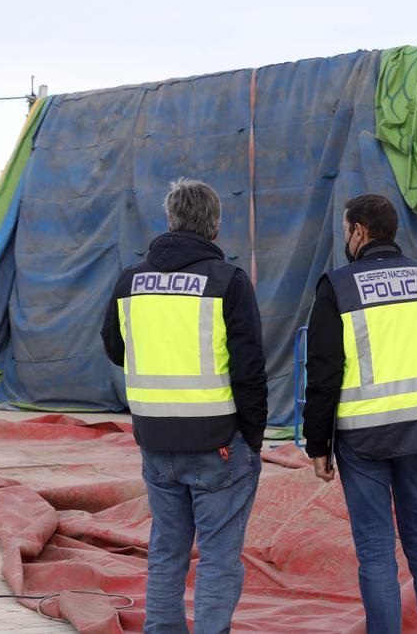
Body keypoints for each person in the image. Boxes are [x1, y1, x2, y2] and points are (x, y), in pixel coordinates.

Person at [303, 193, 417, 634]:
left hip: (364, 439)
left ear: (359, 231)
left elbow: (323, 376)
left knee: (376, 551)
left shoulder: (339, 286)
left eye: (347, 230)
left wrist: (317, 444)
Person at [101, 177, 268, 634]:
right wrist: (252, 437)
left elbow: (116, 348)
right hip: (218, 443)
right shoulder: (228, 282)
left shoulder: (130, 281)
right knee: (217, 558)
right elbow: (249, 369)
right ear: (214, 228)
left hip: (155, 439)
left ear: (170, 220)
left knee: (167, 551)